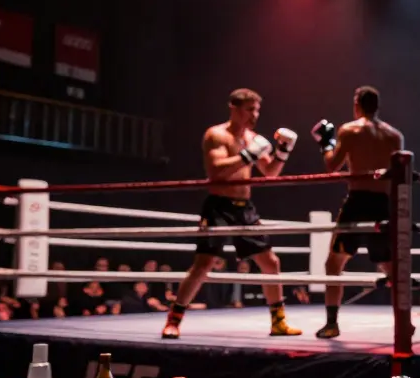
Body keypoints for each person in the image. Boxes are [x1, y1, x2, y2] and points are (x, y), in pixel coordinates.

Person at [162, 88, 300, 338]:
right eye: (249, 109)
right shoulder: (216, 135)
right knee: (203, 264)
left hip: (244, 208)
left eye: (257, 110)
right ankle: (174, 321)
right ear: (234, 109)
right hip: (219, 205)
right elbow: (216, 171)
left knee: (271, 262)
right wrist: (248, 155)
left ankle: (278, 322)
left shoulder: (253, 138)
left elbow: (270, 172)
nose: (254, 115)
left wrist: (283, 151)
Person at [312, 85, 404, 339]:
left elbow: (332, 165)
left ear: (357, 104)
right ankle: (403, 322)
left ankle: (331, 323)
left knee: (334, 263)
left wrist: (326, 143)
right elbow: (400, 175)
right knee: (391, 267)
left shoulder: (349, 130)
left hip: (358, 201)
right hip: (383, 203)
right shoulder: (394, 136)